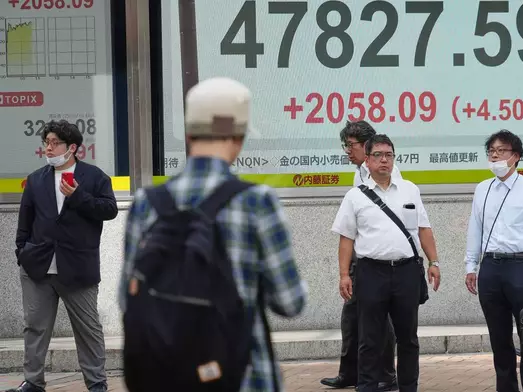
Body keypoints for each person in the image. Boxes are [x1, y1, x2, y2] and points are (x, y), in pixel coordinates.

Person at [119, 77, 307, 391]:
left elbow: (127, 299)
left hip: (165, 377)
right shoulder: (256, 200)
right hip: (243, 376)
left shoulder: (145, 204)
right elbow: (290, 302)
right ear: (238, 137)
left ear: (189, 134)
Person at [12, 120, 118, 392]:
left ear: (72, 148)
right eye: (45, 142)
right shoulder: (36, 179)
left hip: (78, 268)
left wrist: (78, 195)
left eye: (54, 143)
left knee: (88, 329)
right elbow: (25, 221)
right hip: (38, 268)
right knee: (34, 328)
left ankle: (96, 384)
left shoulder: (94, 177)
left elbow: (109, 210)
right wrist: (21, 253)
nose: (48, 148)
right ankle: (33, 382)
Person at [331, 134, 441, 392]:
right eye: (378, 155)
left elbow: (424, 229)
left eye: (389, 155)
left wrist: (433, 261)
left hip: (406, 272)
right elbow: (346, 238)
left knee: (408, 339)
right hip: (371, 273)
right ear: (367, 161)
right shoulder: (355, 196)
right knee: (369, 339)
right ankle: (367, 387)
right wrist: (344, 274)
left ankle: (408, 387)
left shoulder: (410, 189)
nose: (384, 160)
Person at [464, 130, 523, 392]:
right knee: (499, 339)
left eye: (502, 150)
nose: (495, 155)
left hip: (522, 267)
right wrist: (471, 265)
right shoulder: (483, 189)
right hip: (490, 269)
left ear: (516, 156)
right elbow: (475, 229)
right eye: (491, 151)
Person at [321, 121, 399, 391]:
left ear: (367, 146)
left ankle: (387, 375)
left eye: (350, 145)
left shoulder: (385, 176)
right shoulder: (359, 174)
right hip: (359, 260)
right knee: (352, 318)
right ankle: (350, 372)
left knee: (380, 321)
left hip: (376, 263)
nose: (347, 151)